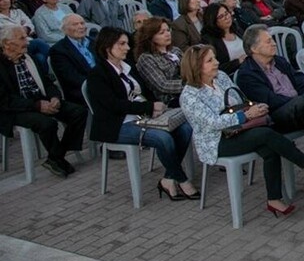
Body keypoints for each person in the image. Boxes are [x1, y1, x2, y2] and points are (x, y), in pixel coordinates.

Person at [180, 44, 304, 215]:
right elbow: (212, 123)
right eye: (210, 61)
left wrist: (254, 108)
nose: (216, 63)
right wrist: (245, 116)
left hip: (240, 129)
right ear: (196, 67)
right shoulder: (189, 95)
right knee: (267, 135)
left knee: (269, 146)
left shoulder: (221, 77)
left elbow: (240, 99)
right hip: (216, 141)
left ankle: (274, 199)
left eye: (215, 58)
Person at [83, 26, 197, 197]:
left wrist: (154, 105)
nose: (127, 48)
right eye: (121, 44)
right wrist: (149, 107)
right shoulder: (97, 74)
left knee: (185, 128)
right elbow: (113, 105)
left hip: (142, 117)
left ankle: (168, 179)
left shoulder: (127, 66)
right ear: (107, 47)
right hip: (117, 124)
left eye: (127, 44)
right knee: (163, 138)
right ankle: (181, 179)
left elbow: (144, 91)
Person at [0, 24, 88, 178]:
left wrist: (55, 97)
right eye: (22, 38)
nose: (27, 42)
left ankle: (56, 156)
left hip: (40, 99)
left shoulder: (29, 58)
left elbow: (47, 82)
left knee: (78, 112)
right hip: (15, 109)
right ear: (7, 43)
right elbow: (5, 100)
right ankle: (58, 158)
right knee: (47, 123)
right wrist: (37, 105)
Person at [236, 24, 304, 133]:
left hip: (301, 105)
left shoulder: (279, 61)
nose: (274, 44)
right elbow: (270, 101)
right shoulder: (247, 74)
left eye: (272, 40)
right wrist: (303, 99)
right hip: (278, 114)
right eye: (268, 41)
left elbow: (300, 80)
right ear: (254, 48)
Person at [133, 17, 187, 106]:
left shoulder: (175, 50)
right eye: (162, 33)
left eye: (168, 30)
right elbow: (163, 85)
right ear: (150, 37)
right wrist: (192, 85)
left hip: (187, 90)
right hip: (169, 99)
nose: (167, 34)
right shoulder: (146, 59)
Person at [49, 14, 95, 105]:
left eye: (82, 23)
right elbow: (72, 78)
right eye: (75, 24)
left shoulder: (94, 42)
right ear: (64, 30)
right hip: (83, 90)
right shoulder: (58, 50)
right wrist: (100, 83)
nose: (80, 27)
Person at [201, 2, 246, 75]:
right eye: (221, 16)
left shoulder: (237, 29)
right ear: (213, 21)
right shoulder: (209, 40)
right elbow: (215, 67)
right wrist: (238, 61)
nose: (227, 17)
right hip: (231, 75)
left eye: (226, 13)